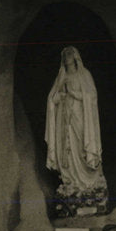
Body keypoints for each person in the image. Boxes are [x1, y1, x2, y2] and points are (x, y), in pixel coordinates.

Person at [44, 46, 107, 197]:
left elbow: (91, 97)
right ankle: (71, 182)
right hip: (64, 118)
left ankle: (90, 183)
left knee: (81, 145)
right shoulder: (61, 77)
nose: (67, 58)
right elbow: (52, 99)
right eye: (65, 55)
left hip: (80, 116)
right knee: (67, 148)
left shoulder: (84, 75)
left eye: (70, 55)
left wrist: (74, 94)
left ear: (75, 57)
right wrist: (58, 98)